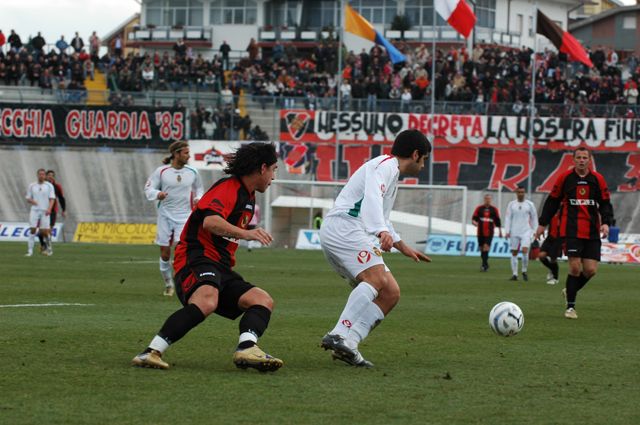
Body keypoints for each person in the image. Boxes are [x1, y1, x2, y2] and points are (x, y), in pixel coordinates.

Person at [132, 142, 283, 372]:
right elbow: (210, 222)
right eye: (274, 169)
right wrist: (246, 233)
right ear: (262, 168)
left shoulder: (248, 196)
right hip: (196, 257)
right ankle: (151, 352)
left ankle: (247, 348)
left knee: (262, 300)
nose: (274, 176)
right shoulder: (229, 187)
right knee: (207, 300)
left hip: (220, 267)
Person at [319, 129, 432, 367]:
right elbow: (371, 198)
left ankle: (349, 344)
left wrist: (402, 245)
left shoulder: (391, 173)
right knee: (376, 278)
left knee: (391, 293)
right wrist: (381, 231)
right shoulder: (386, 165)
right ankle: (339, 333)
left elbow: (382, 214)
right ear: (415, 154)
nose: (423, 165)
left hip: (351, 230)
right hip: (346, 227)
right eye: (424, 159)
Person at [535, 147, 614, 319]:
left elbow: (606, 203)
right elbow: (552, 201)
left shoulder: (598, 179)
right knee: (575, 267)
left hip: (592, 231)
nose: (581, 160)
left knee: (591, 270)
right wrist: (542, 224)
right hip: (571, 230)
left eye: (585, 157)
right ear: (573, 160)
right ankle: (570, 308)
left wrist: (606, 223)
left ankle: (570, 290)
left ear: (590, 160)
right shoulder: (565, 178)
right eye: (578, 157)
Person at [144, 141, 204, 296]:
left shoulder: (192, 172)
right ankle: (168, 284)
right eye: (185, 153)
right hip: (165, 216)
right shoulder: (162, 171)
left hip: (185, 216)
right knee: (165, 253)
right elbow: (149, 188)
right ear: (176, 154)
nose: (188, 156)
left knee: (180, 250)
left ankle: (182, 284)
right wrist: (158, 194)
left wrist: (198, 198)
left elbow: (199, 188)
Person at [504, 186, 538, 281]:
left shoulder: (530, 204)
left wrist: (535, 231)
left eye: (522, 192)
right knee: (514, 252)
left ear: (525, 193)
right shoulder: (511, 204)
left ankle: (524, 271)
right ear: (516, 193)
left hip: (526, 231)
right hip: (514, 231)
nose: (521, 194)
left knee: (524, 250)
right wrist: (507, 231)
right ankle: (515, 274)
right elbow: (508, 218)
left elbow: (534, 218)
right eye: (519, 192)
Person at [25, 169, 56, 257]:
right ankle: (30, 251)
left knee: (44, 232)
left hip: (45, 211)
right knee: (32, 229)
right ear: (37, 175)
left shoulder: (49, 186)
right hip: (34, 210)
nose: (41, 176)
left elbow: (52, 199)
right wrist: (32, 201)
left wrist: (49, 209)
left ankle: (49, 249)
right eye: (40, 174)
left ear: (45, 176)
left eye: (43, 174)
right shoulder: (32, 185)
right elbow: (28, 198)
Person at [471, 194, 502, 272]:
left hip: (489, 232)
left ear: (491, 200)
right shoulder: (479, 208)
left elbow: (498, 221)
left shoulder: (494, 209)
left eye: (489, 199)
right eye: (486, 199)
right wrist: (474, 223)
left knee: (486, 247)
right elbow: (474, 219)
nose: (487, 200)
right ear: (484, 199)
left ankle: (484, 266)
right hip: (480, 232)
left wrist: (500, 232)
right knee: (482, 249)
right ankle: (485, 263)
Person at [37, 170, 66, 253]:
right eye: (49, 175)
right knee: (40, 232)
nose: (50, 176)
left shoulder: (57, 186)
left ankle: (48, 249)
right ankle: (43, 245)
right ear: (46, 176)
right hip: (42, 211)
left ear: (54, 177)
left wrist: (64, 210)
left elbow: (61, 198)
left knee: (49, 230)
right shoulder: (41, 186)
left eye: (52, 175)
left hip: (52, 211)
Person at [537, 212, 562, 285]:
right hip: (550, 237)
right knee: (541, 256)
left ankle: (555, 278)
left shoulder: (564, 214)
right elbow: (545, 220)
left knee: (553, 259)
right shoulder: (552, 212)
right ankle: (552, 269)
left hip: (559, 238)